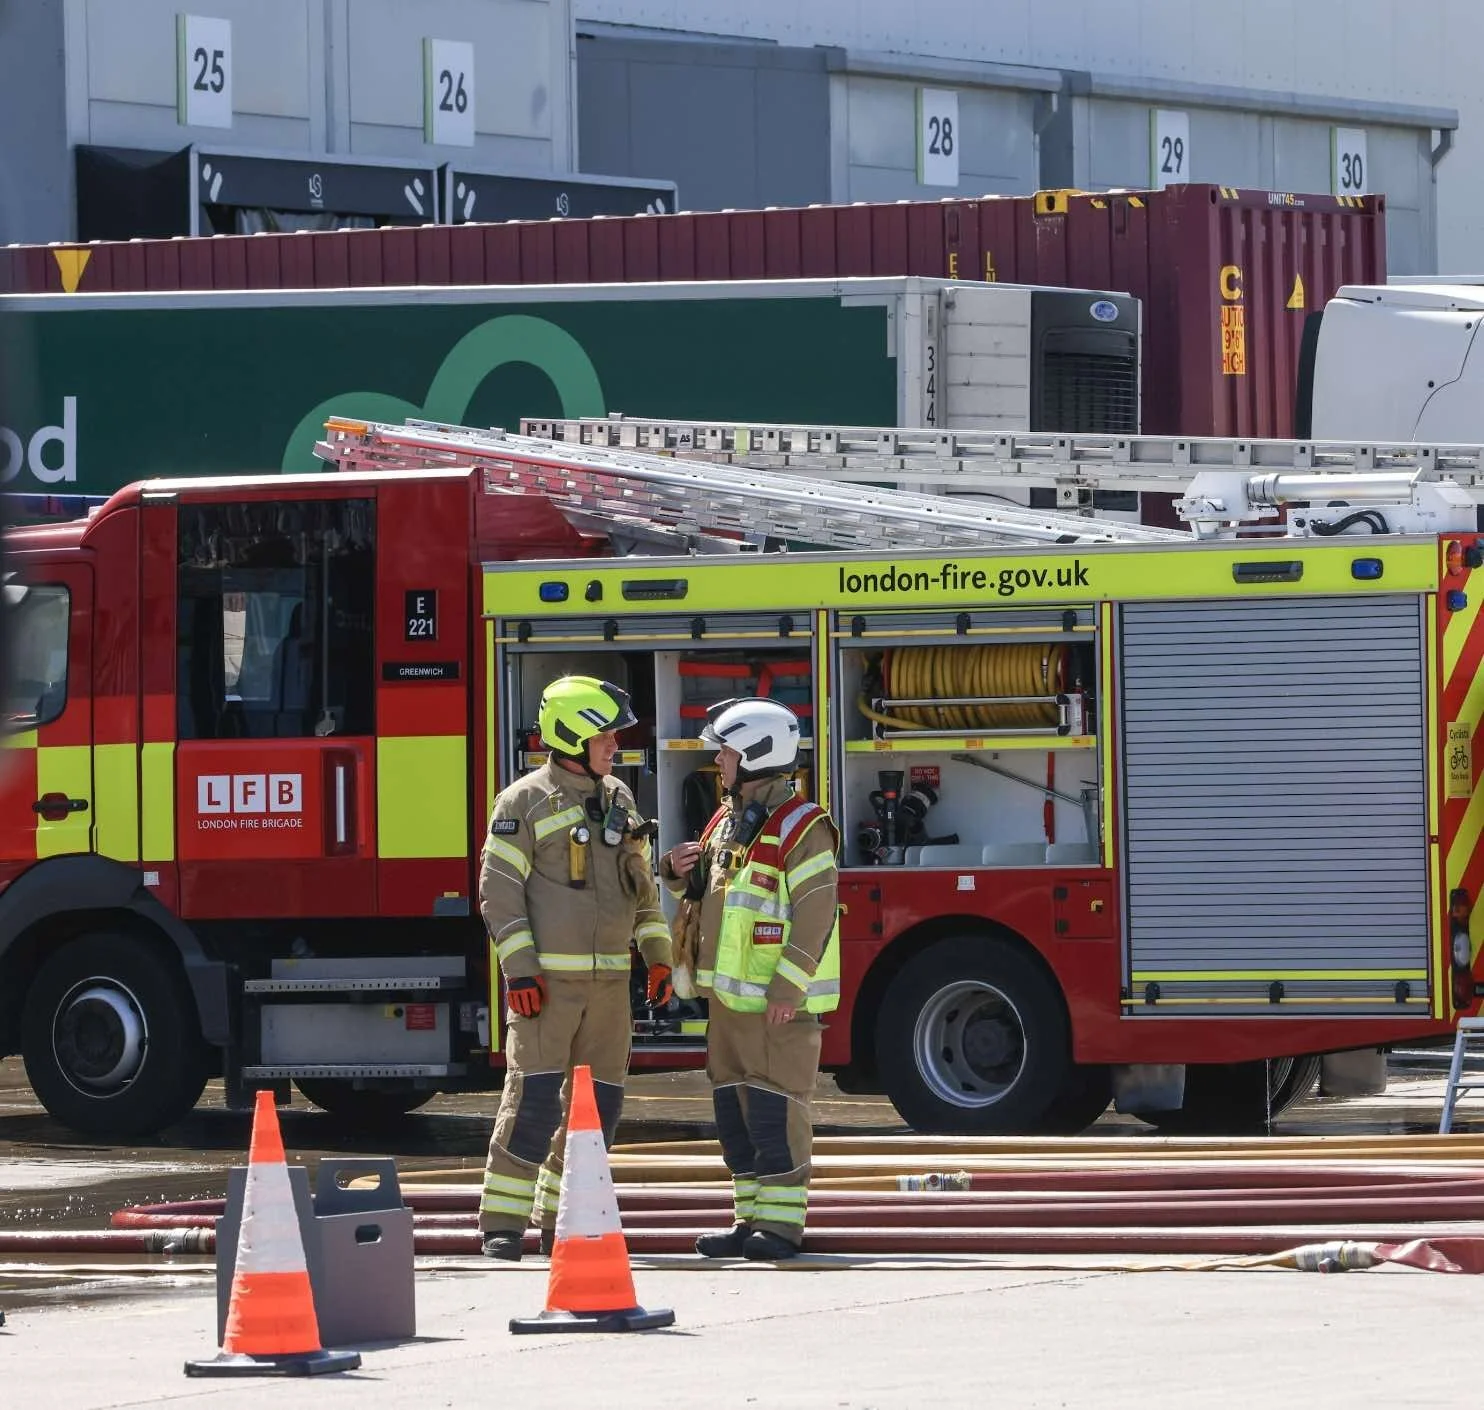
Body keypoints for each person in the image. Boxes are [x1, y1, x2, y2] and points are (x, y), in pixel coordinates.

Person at [477, 674, 673, 1260]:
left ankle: (559, 1216)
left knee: (599, 1110)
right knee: (533, 1103)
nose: (616, 745)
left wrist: (658, 957)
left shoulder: (619, 797)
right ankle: (502, 1224)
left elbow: (642, 886)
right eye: (607, 735)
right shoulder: (523, 801)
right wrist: (521, 972)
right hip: (548, 988)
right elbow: (498, 893)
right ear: (572, 734)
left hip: (611, 988)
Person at [661, 697, 840, 1262]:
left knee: (774, 1108)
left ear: (758, 753)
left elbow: (816, 912)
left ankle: (781, 1227)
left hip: (773, 1004)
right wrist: (673, 873)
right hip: (729, 1004)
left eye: (727, 752)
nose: (719, 762)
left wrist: (788, 989)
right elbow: (710, 900)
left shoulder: (803, 827)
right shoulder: (727, 819)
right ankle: (749, 1220)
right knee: (735, 1114)